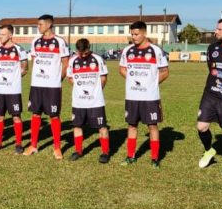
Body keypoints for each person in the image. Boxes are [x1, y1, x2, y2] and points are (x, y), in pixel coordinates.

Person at [119, 21, 169, 167]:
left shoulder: (156, 50)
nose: (133, 37)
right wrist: (132, 80)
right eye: (132, 34)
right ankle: (130, 156)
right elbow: (122, 69)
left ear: (144, 33)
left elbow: (165, 72)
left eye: (136, 34)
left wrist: (151, 83)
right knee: (132, 125)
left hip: (150, 97)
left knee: (152, 126)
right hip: (132, 96)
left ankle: (154, 158)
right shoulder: (128, 50)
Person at [23, 14, 70, 160]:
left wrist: (58, 79)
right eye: (38, 24)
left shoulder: (59, 42)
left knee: (54, 115)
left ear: (49, 25)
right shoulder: (35, 41)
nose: (38, 27)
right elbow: (34, 60)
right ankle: (33, 145)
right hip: (37, 84)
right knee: (35, 114)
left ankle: (57, 147)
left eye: (40, 24)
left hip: (52, 86)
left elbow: (66, 63)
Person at [197, 17, 222, 176]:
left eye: (219, 29)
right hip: (211, 94)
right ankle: (209, 150)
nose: (215, 31)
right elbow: (211, 67)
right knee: (201, 127)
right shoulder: (212, 48)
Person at [66, 38, 111, 163]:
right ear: (77, 50)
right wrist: (80, 88)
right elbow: (70, 78)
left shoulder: (97, 59)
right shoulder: (73, 61)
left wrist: (96, 91)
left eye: (85, 53)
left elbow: (103, 77)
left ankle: (105, 152)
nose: (83, 56)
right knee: (77, 125)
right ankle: (78, 151)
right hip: (78, 101)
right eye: (81, 53)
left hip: (96, 101)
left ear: (89, 48)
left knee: (102, 127)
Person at [0, 25, 28, 153]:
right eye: (0, 34)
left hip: (13, 90)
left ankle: (18, 144)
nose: (0, 36)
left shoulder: (19, 50)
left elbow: (25, 68)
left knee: (16, 117)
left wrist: (14, 78)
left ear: (10, 35)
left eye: (3, 34)